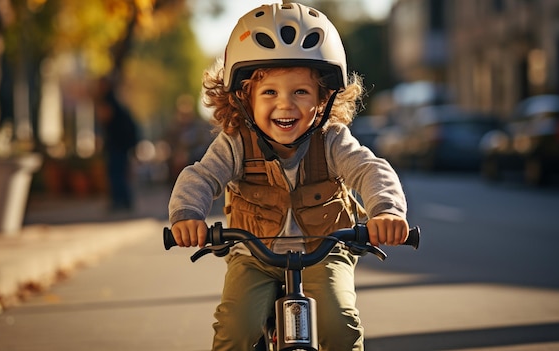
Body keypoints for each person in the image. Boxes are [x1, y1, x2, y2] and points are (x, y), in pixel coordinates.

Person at [168, 3, 409, 350]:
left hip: (323, 253)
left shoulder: (331, 140)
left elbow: (368, 169)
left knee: (339, 325)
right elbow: (202, 177)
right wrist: (187, 216)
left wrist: (386, 210)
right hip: (254, 257)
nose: (285, 105)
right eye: (269, 93)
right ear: (244, 98)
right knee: (235, 328)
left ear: (323, 99)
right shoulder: (236, 142)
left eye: (300, 92)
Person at [95, 79, 140, 211]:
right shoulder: (115, 100)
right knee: (119, 173)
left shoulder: (108, 100)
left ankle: (119, 201)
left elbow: (105, 117)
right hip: (120, 143)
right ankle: (124, 201)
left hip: (117, 144)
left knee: (116, 173)